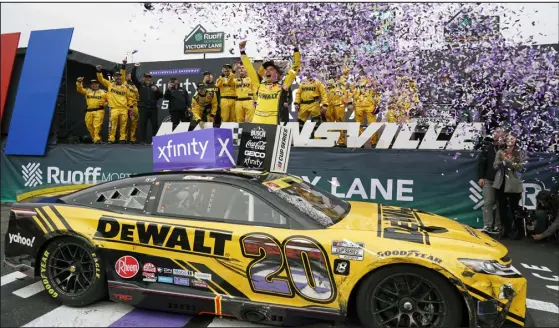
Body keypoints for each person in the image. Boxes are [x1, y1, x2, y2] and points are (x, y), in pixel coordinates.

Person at [239, 39, 301, 124]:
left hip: (273, 124)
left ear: (278, 74)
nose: (267, 71)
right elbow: (249, 68)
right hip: (257, 123)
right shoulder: (259, 84)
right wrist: (242, 50)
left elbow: (295, 67)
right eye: (266, 69)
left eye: (271, 69)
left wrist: (296, 50)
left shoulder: (284, 85)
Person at [492, 133, 525, 238]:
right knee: (502, 208)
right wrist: (501, 162)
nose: (510, 140)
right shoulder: (500, 152)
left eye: (512, 138)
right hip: (501, 183)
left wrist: (506, 160)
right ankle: (505, 230)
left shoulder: (520, 153)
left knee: (514, 208)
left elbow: (520, 168)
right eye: (508, 138)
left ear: (516, 140)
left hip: (513, 185)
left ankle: (519, 231)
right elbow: (495, 166)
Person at [477, 127, 506, 233]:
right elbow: (482, 163)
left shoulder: (507, 148)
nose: (498, 134)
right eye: (496, 132)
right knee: (488, 202)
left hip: (503, 180)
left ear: (505, 135)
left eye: (501, 132)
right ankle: (487, 225)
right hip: (489, 179)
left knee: (500, 203)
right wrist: (480, 177)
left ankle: (498, 225)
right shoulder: (488, 148)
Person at [96, 64, 132, 144]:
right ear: (114, 77)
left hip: (124, 109)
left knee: (123, 125)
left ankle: (122, 139)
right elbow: (101, 79)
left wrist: (130, 107)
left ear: (121, 77)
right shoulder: (110, 84)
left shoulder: (125, 87)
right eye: (116, 76)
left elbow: (129, 98)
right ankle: (111, 139)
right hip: (114, 108)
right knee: (113, 125)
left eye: (119, 76)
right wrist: (99, 71)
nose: (118, 77)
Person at [131, 62, 162, 144]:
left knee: (155, 126)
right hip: (143, 108)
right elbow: (133, 77)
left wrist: (156, 91)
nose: (148, 78)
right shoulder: (140, 85)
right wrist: (135, 68)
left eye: (149, 77)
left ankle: (155, 142)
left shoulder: (154, 86)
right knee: (143, 125)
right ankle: (142, 141)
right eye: (146, 77)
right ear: (144, 78)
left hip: (153, 109)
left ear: (151, 78)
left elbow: (160, 96)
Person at [348, 77, 381, 146]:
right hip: (359, 106)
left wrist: (377, 103)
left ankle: (373, 141)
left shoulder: (372, 87)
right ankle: (361, 140)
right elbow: (350, 93)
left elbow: (377, 94)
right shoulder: (356, 87)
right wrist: (350, 103)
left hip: (370, 106)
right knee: (359, 124)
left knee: (373, 124)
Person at [76, 77, 107, 144]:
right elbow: (79, 89)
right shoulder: (87, 91)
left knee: (97, 125)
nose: (94, 85)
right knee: (89, 125)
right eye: (92, 84)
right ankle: (94, 139)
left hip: (99, 110)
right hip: (89, 111)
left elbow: (111, 99)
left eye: (96, 83)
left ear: (98, 84)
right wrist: (79, 82)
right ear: (90, 85)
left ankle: (97, 139)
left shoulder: (104, 92)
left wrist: (106, 103)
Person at [325, 78, 350, 147]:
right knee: (330, 124)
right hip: (330, 107)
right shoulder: (327, 90)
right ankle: (330, 140)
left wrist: (344, 103)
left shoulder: (341, 90)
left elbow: (346, 99)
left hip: (338, 107)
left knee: (339, 124)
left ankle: (341, 141)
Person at [123, 72, 140, 144]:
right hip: (126, 106)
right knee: (125, 123)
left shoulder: (135, 86)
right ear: (126, 77)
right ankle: (124, 138)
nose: (130, 77)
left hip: (134, 106)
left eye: (131, 76)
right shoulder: (124, 84)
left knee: (134, 123)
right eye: (129, 76)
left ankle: (132, 139)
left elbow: (138, 96)